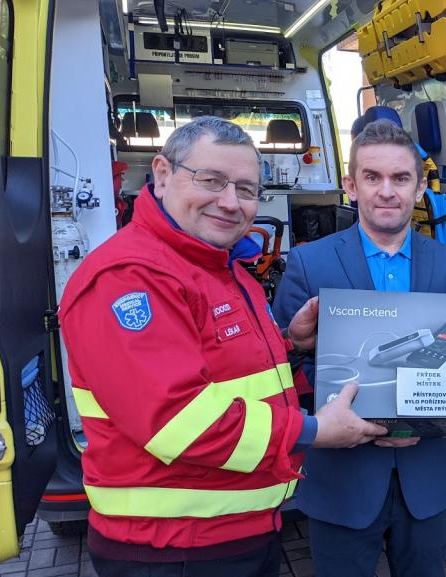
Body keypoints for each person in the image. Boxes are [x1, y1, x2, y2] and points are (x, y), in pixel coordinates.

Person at [59, 116, 387, 577]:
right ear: (162, 174)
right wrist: (314, 431)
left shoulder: (217, 266)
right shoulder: (131, 277)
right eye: (211, 180)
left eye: (247, 189)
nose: (230, 202)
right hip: (172, 549)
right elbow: (179, 421)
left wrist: (292, 344)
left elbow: (230, 373)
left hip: (233, 534)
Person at [273, 119, 446, 577]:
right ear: (351, 185)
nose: (387, 191)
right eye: (372, 177)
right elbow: (275, 366)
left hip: (426, 481)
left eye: (400, 178)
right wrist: (293, 343)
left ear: (419, 187)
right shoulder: (310, 263)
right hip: (342, 483)